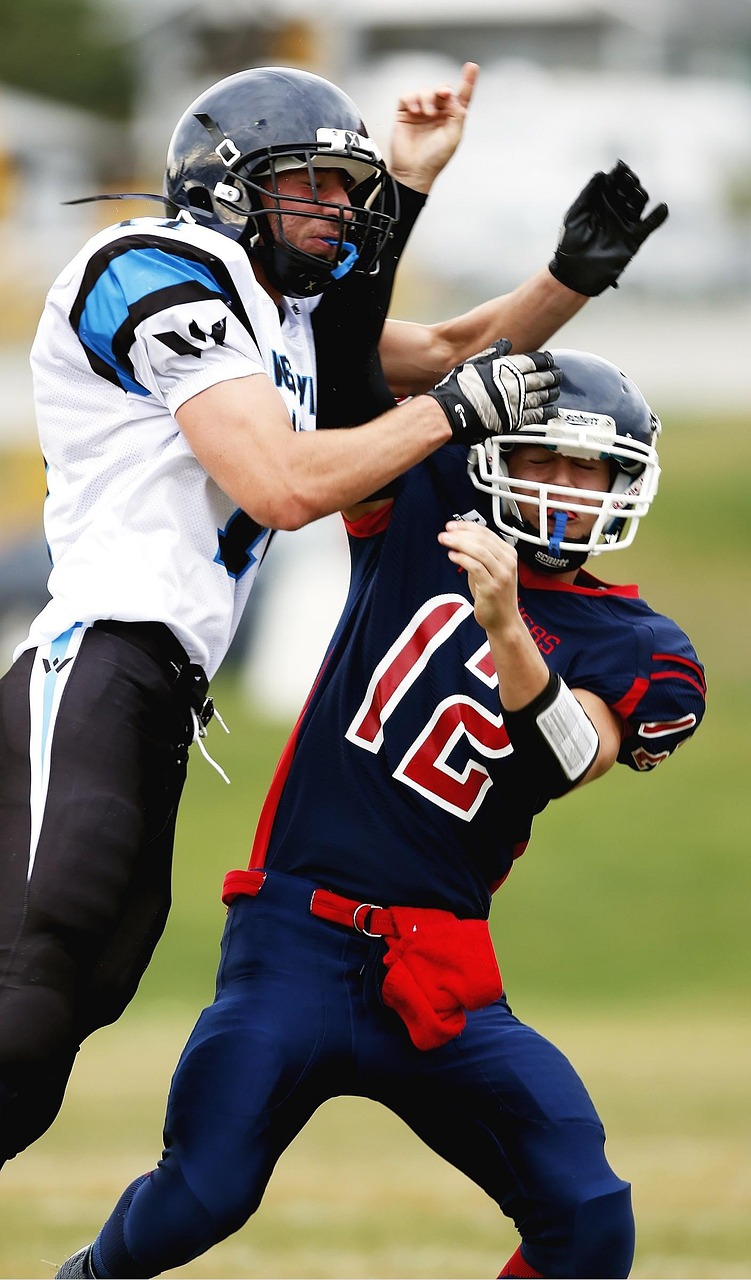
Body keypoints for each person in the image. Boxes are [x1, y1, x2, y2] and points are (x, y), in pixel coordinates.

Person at [0, 58, 669, 1171]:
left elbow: (459, 350)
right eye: (308, 184)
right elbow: (287, 484)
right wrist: (449, 414)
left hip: (160, 687)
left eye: (346, 190)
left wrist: (570, 277)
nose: (336, 210)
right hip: (95, 660)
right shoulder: (155, 266)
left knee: (81, 995)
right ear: (227, 182)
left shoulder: (274, 310)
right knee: (33, 976)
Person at [54, 349, 706, 1280]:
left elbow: (569, 755)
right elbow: (359, 353)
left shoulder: (648, 649)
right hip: (293, 939)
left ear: (624, 482)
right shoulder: (428, 512)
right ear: (495, 458)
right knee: (200, 1194)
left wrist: (508, 626)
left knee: (589, 1214)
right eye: (543, 459)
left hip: (436, 973)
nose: (564, 486)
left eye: (587, 469)